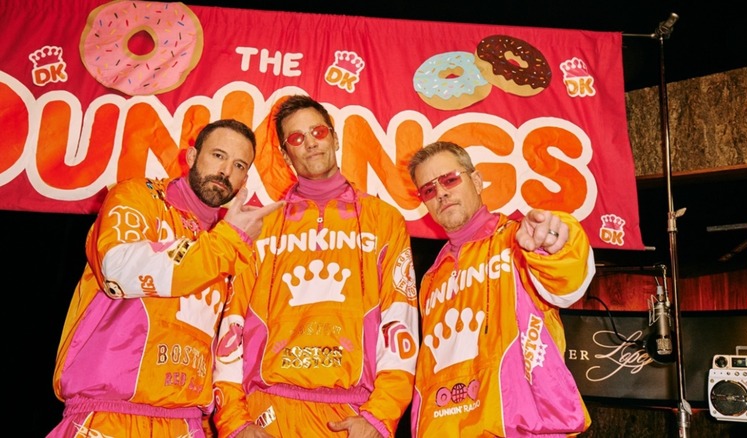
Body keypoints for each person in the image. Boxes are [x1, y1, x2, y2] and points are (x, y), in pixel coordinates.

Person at [48, 119, 284, 438]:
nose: (226, 171)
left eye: (239, 165)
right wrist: (227, 243)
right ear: (191, 156)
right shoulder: (138, 196)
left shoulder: (234, 241)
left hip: (185, 422)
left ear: (245, 179)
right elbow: (117, 271)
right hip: (110, 415)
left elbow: (230, 342)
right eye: (218, 155)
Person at [212, 95, 419, 438]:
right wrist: (234, 420)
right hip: (270, 412)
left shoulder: (384, 219)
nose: (310, 143)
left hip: (351, 413)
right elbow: (233, 323)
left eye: (318, 132)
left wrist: (380, 417)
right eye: (296, 138)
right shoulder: (260, 224)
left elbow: (400, 321)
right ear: (284, 155)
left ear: (334, 138)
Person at [406, 141, 595, 437]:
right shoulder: (431, 278)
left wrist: (556, 242)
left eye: (449, 179)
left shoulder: (518, 241)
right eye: (428, 190)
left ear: (477, 181)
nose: (440, 192)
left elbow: (568, 280)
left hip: (523, 430)